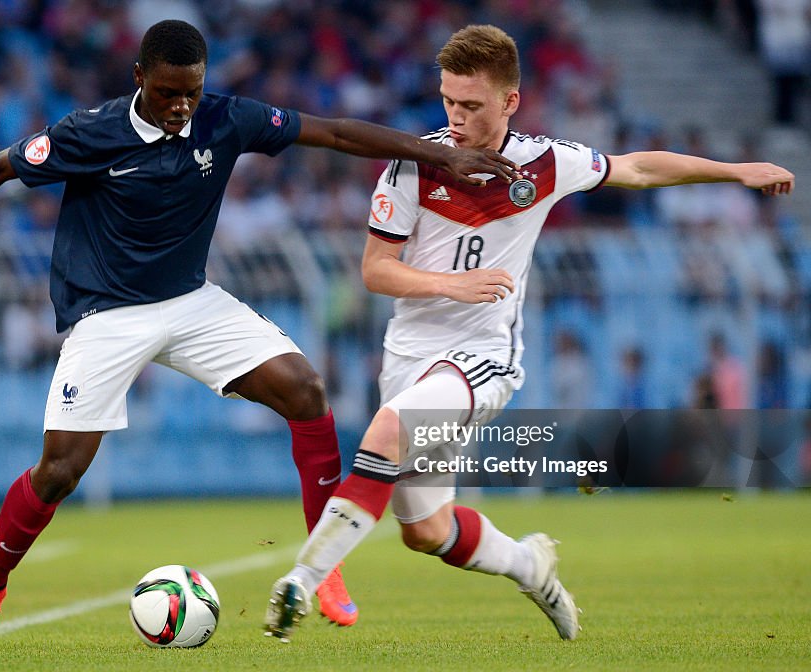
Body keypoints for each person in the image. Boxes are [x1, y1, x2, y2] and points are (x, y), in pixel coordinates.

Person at [0, 20, 519, 650]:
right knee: (60, 471)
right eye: (166, 93)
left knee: (305, 389)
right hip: (106, 315)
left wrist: (436, 152)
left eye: (190, 91)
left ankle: (325, 568)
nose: (180, 107)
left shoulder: (224, 118)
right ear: (139, 79)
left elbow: (335, 131)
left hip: (190, 301)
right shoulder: (90, 132)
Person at [264, 23, 794, 643]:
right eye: (447, 101)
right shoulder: (413, 167)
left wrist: (734, 172)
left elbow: (639, 169)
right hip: (409, 355)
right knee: (426, 531)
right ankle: (531, 566)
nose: (455, 117)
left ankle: (303, 579)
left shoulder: (545, 163)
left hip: (484, 356)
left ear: (510, 101)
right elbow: (375, 270)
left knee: (388, 429)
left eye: (471, 105)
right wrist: (450, 285)